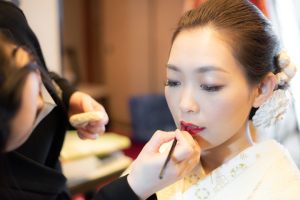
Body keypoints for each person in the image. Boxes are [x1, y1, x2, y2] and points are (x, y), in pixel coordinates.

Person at [96, 0, 300, 199]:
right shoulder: (153, 165)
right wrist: (135, 187)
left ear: (262, 89)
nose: (185, 104)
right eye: (174, 82)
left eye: (210, 86)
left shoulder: (284, 188)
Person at [0, 1, 108, 199]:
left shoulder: (8, 16)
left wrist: (68, 98)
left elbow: (46, 75)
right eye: (34, 114)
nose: (43, 105)